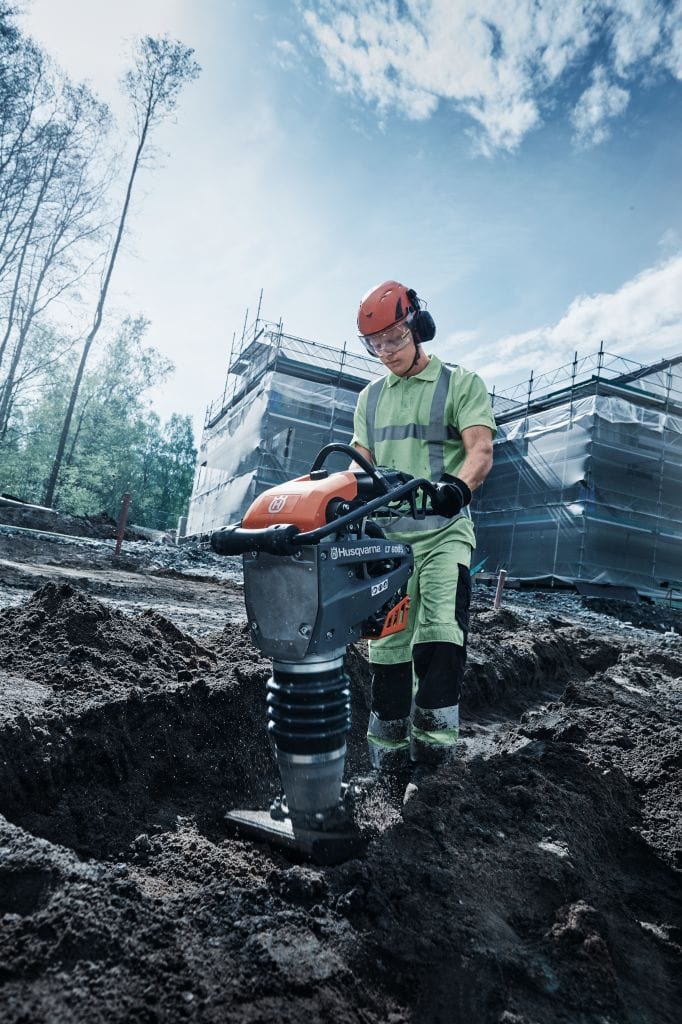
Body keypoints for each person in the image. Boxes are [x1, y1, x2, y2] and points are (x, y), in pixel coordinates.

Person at [351, 280, 496, 788]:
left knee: (439, 633)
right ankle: (387, 760)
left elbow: (480, 451)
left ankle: (432, 760)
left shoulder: (460, 383)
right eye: (376, 344)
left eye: (393, 337)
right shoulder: (368, 399)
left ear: (417, 325)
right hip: (388, 543)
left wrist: (456, 489)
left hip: (443, 532)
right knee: (386, 648)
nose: (386, 352)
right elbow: (357, 468)